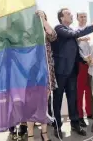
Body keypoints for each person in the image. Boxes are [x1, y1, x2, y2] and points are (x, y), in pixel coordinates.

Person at [51, 8, 93, 139]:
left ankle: (75, 124)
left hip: (73, 72)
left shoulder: (71, 32)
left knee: (73, 99)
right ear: (62, 18)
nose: (71, 15)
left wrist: (83, 59)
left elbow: (74, 52)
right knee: (57, 100)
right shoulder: (59, 28)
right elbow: (74, 34)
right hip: (61, 72)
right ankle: (57, 127)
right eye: (68, 14)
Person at [27, 10, 56, 141]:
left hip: (46, 73)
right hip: (31, 74)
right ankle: (31, 134)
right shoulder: (27, 34)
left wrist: (43, 19)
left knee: (44, 104)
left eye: (42, 16)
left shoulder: (46, 32)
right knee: (31, 106)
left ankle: (44, 133)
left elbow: (53, 35)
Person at [75, 12, 92, 127]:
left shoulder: (92, 30)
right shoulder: (75, 31)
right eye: (81, 16)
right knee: (80, 90)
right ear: (77, 18)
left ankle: (90, 113)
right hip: (81, 64)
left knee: (90, 90)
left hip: (92, 64)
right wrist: (80, 39)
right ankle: (80, 116)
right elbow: (74, 47)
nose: (83, 18)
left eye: (85, 16)